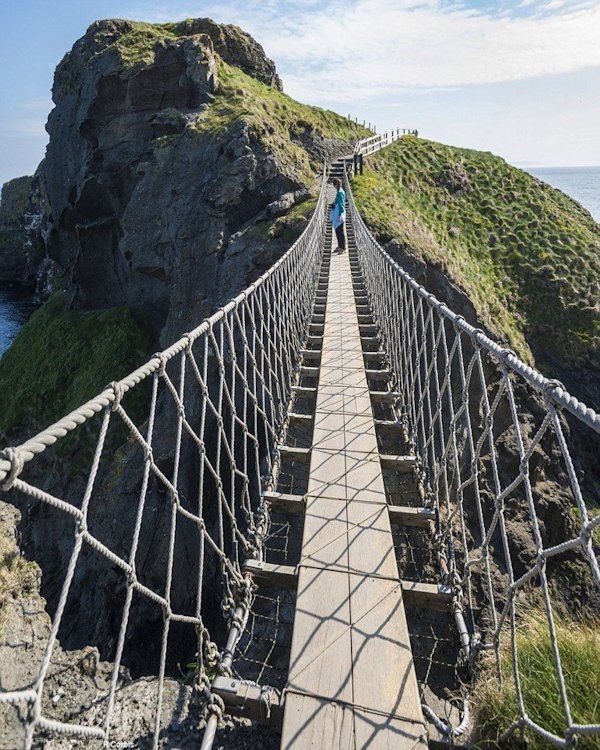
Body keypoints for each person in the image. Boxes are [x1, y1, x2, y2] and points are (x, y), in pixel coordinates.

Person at [330, 178, 346, 251]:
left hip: (339, 214)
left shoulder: (339, 193)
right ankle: (341, 246)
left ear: (336, 185)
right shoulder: (341, 191)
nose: (334, 187)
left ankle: (342, 247)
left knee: (339, 231)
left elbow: (341, 204)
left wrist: (340, 214)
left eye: (334, 185)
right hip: (340, 212)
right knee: (339, 230)